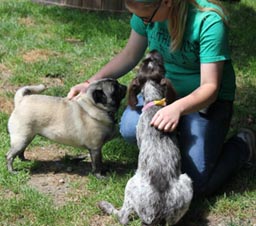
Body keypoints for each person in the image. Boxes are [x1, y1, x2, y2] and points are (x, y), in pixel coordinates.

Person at [67, 0, 255, 196]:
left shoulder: (208, 21)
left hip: (205, 102)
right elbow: (129, 55)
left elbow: (210, 87)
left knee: (195, 185)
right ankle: (181, 139)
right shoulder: (146, 11)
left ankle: (243, 146)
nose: (143, 22)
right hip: (162, 94)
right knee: (130, 129)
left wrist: (177, 109)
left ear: (167, 2)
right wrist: (91, 84)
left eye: (145, 18)